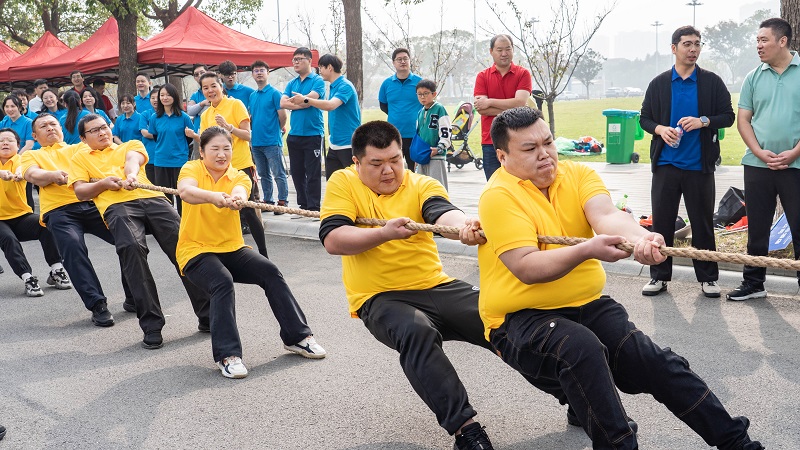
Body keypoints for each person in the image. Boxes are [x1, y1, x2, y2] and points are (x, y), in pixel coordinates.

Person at [477, 106, 763, 450]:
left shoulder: (578, 174)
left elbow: (606, 215)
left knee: (655, 362)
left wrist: (641, 237)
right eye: (529, 149)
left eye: (549, 143)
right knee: (582, 349)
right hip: (519, 320)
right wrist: (586, 250)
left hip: (586, 305)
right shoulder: (498, 196)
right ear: (502, 155)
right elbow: (527, 267)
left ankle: (737, 443)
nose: (545, 155)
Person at [319, 120, 497, 450]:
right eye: (377, 163)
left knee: (503, 318)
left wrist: (465, 226)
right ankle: (466, 430)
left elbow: (442, 212)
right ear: (356, 162)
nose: (389, 171)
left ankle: (572, 394)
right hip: (380, 298)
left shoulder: (420, 184)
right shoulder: (342, 182)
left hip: (435, 286)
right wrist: (383, 233)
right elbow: (333, 239)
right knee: (417, 332)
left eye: (395, 160)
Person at [177, 126, 326, 379]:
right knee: (221, 281)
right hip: (196, 251)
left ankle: (298, 337)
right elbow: (186, 192)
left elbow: (240, 191)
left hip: (232, 248)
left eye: (227, 148)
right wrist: (214, 197)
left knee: (270, 272)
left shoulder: (238, 176)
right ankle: (228, 355)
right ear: (202, 152)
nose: (222, 154)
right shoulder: (191, 169)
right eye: (215, 149)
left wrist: (235, 197)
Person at [70, 114, 210, 349]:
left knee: (185, 248)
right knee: (132, 249)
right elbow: (81, 192)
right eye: (94, 131)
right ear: (84, 138)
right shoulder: (79, 158)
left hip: (153, 198)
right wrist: (104, 184)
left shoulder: (129, 144)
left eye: (104, 127)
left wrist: (131, 175)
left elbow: (133, 160)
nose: (102, 132)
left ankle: (208, 314)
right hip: (117, 206)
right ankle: (152, 324)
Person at [639, 25, 734, 298]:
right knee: (663, 224)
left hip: (699, 166)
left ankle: (708, 278)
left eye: (697, 44)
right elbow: (645, 118)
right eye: (687, 44)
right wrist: (660, 129)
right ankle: (659, 277)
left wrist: (702, 121)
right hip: (666, 165)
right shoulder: (659, 83)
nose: (693, 49)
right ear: (674, 48)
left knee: (702, 224)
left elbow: (727, 116)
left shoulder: (711, 82)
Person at [21, 113, 134, 326]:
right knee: (73, 248)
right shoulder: (32, 155)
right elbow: (32, 175)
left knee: (128, 239)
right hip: (59, 211)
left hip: (93, 203)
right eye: (43, 126)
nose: (50, 128)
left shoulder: (78, 149)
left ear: (62, 128)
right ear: (35, 135)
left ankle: (133, 294)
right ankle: (97, 304)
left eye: (53, 124)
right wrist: (55, 175)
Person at [727, 18, 800, 301]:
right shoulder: (753, 77)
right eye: (757, 40)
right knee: (757, 226)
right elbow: (743, 120)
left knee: (799, 225)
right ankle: (754, 283)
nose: (758, 46)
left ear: (782, 41)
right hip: (757, 165)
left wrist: (794, 152)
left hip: (795, 165)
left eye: (763, 40)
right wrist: (758, 152)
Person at [188, 72, 268, 257]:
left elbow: (248, 135)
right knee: (221, 209)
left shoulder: (235, 104)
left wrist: (229, 127)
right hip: (217, 170)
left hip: (240, 165)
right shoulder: (207, 113)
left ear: (221, 86)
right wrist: (195, 138)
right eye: (205, 88)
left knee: (248, 209)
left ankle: (264, 254)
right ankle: (228, 250)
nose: (210, 91)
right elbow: (208, 144)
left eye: (213, 86)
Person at [0, 128, 71, 297]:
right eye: (1, 140)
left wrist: (18, 174)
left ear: (18, 145)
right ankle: (28, 278)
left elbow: (23, 170)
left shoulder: (23, 159)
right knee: (8, 239)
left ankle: (56, 270)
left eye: (10, 140)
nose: (5, 143)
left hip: (21, 216)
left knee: (45, 223)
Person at [292, 53, 361, 179]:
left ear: (330, 67)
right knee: (333, 183)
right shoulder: (334, 86)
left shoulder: (345, 85)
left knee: (353, 183)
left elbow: (330, 105)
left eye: (321, 68)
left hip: (348, 144)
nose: (319, 72)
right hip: (335, 144)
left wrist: (306, 100)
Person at [473, 34, 532, 180]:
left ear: (513, 50)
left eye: (508, 49)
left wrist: (490, 102)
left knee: (520, 185)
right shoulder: (482, 76)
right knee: (494, 186)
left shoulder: (523, 74)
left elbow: (520, 103)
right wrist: (513, 108)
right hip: (490, 142)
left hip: (518, 139)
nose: (504, 53)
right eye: (499, 50)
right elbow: (481, 109)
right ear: (491, 51)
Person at [280, 47, 325, 212]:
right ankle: (303, 205)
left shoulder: (317, 80)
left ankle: (314, 206)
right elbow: (283, 103)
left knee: (313, 173)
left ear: (309, 61)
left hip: (313, 133)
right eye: (294, 60)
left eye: (299, 59)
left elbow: (312, 98)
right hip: (295, 135)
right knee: (297, 173)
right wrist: (303, 103)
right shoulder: (292, 83)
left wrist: (303, 101)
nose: (296, 62)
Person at [141, 83, 194, 214]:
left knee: (182, 195)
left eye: (168, 95)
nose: (165, 98)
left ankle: (184, 224)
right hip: (161, 161)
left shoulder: (184, 117)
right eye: (162, 95)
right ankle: (169, 226)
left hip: (179, 161)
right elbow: (155, 136)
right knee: (164, 197)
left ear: (175, 97)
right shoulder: (155, 118)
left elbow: (189, 137)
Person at [248, 60, 289, 211]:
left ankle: (283, 201)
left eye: (262, 70)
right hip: (256, 142)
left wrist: (275, 130)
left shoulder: (275, 93)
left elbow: (283, 116)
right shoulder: (252, 96)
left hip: (272, 141)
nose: (259, 73)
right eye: (256, 71)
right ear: (252, 74)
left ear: (268, 73)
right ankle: (268, 200)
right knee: (263, 174)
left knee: (278, 173)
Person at [378, 48, 422, 172]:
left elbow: (426, 105)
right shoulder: (387, 84)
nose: (403, 61)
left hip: (416, 134)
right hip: (393, 135)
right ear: (393, 62)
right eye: (399, 59)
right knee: (394, 170)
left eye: (405, 59)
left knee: (415, 172)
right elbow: (383, 105)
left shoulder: (419, 82)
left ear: (409, 61)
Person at [413, 79, 451, 190]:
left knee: (437, 185)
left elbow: (446, 130)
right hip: (422, 155)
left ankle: (440, 206)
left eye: (425, 93)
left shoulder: (439, 109)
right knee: (422, 186)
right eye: (419, 94)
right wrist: (416, 155)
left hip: (436, 155)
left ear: (434, 94)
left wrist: (439, 148)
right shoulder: (420, 113)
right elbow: (418, 134)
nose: (422, 97)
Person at [186, 64, 210, 137]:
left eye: (202, 72)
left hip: (215, 132)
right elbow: (190, 111)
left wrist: (198, 110)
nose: (199, 75)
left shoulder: (216, 91)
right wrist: (203, 103)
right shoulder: (195, 95)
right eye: (196, 74)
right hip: (198, 133)